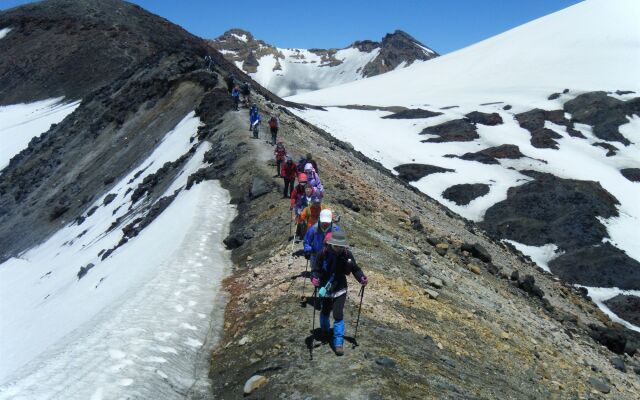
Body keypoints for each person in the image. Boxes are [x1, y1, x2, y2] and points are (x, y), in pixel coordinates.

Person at [311, 230, 368, 356]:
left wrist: (361, 278)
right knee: (325, 310)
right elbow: (316, 269)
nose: (338, 248)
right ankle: (325, 331)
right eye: (336, 245)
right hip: (325, 287)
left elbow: (355, 269)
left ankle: (338, 343)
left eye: (340, 246)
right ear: (331, 244)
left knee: (338, 313)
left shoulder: (347, 254)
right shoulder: (323, 254)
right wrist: (314, 278)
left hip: (340, 288)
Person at [304, 209, 340, 273]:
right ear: (320, 219)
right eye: (323, 222)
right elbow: (307, 241)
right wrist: (307, 250)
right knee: (315, 273)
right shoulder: (313, 229)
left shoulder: (336, 229)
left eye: (327, 222)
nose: (325, 223)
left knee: (327, 273)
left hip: (330, 255)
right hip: (315, 255)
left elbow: (340, 243)